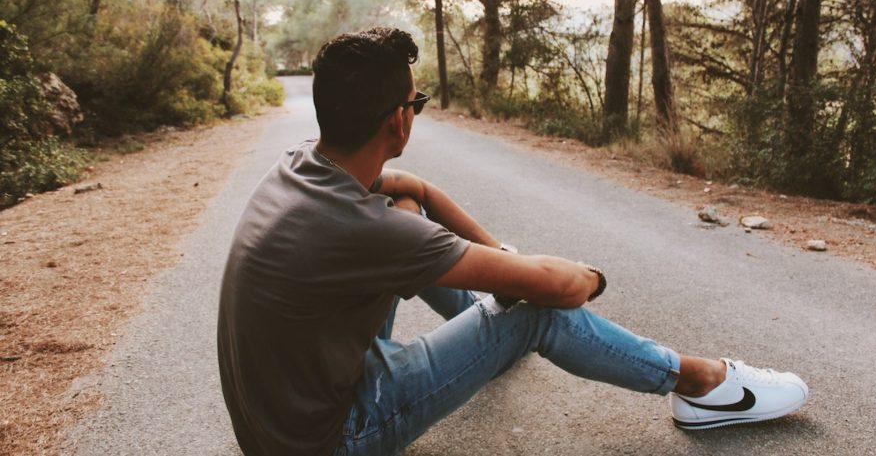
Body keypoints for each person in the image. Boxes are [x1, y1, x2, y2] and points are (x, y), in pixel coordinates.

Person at [217, 27, 809, 456]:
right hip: (336, 437)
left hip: (281, 420)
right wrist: (585, 278)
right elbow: (560, 289)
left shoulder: (304, 165)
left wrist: (499, 258)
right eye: (416, 103)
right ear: (398, 119)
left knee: (410, 214)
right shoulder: (370, 231)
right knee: (535, 315)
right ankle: (703, 383)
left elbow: (415, 188)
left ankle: (489, 334)